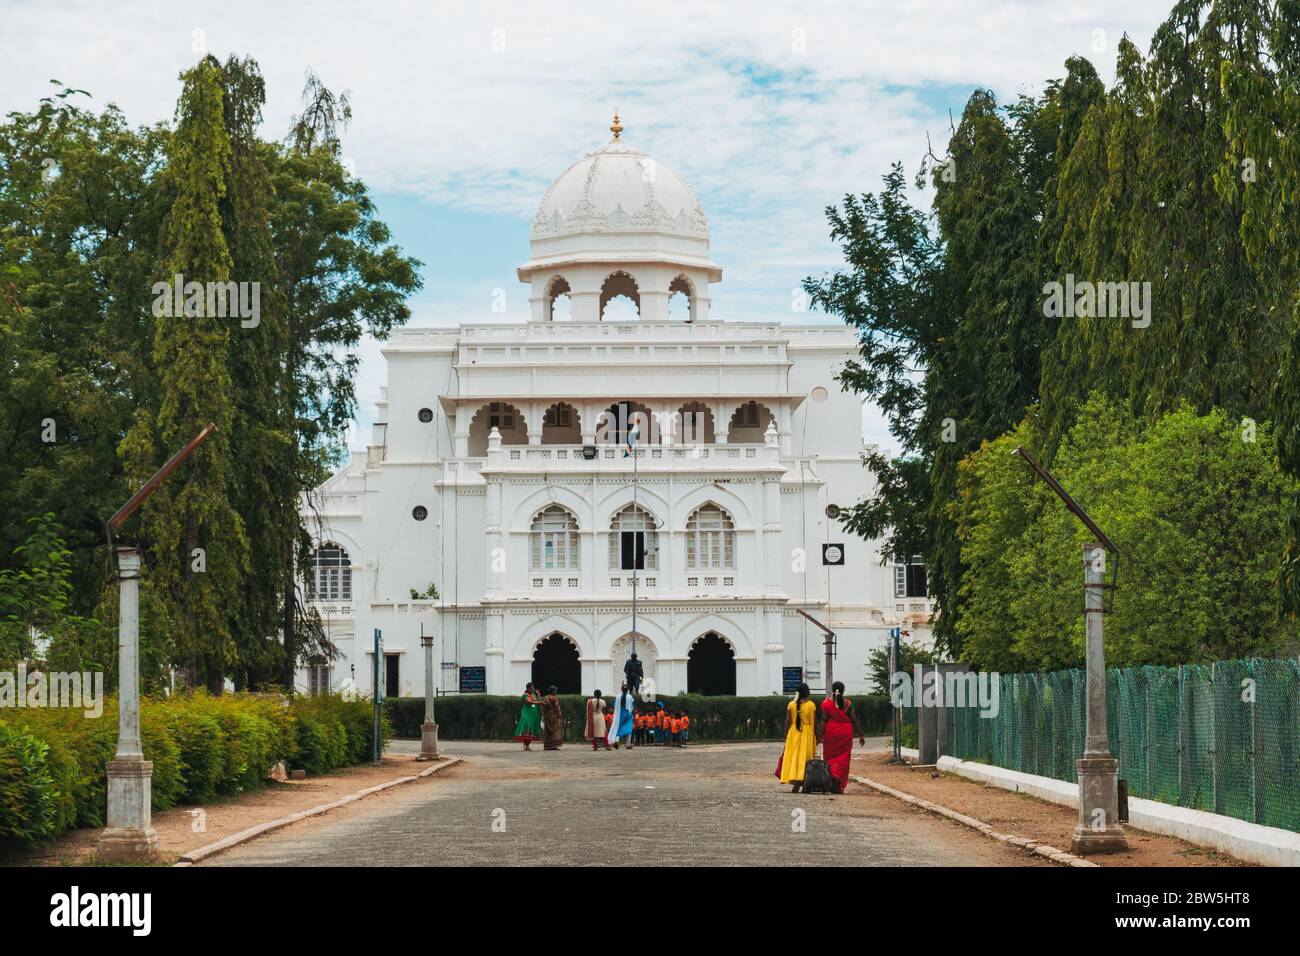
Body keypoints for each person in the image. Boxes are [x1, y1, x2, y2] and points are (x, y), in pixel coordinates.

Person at [819, 681, 866, 793]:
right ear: (843, 691)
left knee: (829, 758)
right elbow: (854, 719)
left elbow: (823, 721)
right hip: (845, 734)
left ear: (832, 690)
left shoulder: (826, 704)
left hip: (831, 734)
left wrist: (819, 736)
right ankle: (839, 783)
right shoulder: (847, 703)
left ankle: (831, 779)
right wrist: (861, 734)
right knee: (844, 759)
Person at [779, 682, 818, 793]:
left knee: (794, 757)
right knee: (806, 758)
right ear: (807, 693)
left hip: (793, 732)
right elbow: (814, 723)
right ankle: (804, 781)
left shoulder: (791, 704)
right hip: (806, 733)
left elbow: (787, 721)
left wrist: (786, 735)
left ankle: (795, 780)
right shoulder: (811, 705)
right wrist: (818, 736)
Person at [513, 682, 543, 750]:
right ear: (528, 688)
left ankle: (526, 746)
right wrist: (539, 702)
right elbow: (529, 701)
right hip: (527, 714)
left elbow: (538, 700)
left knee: (532, 731)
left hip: (534, 714)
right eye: (532, 688)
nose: (533, 689)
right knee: (527, 728)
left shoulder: (534, 694)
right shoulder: (525, 695)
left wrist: (538, 696)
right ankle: (525, 745)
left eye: (533, 688)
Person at [608, 683, 635, 749]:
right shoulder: (630, 697)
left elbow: (614, 706)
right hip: (628, 714)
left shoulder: (618, 697)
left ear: (621, 689)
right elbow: (632, 707)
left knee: (618, 727)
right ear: (628, 690)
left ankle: (616, 740)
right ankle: (628, 744)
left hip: (620, 715)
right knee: (629, 728)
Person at [541, 685, 564, 750]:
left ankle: (547, 746)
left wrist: (544, 715)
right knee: (554, 730)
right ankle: (553, 745)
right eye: (555, 691)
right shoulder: (554, 698)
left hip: (547, 716)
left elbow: (543, 707)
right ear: (553, 691)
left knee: (548, 730)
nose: (556, 692)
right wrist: (559, 715)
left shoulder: (546, 697)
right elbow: (557, 708)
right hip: (554, 716)